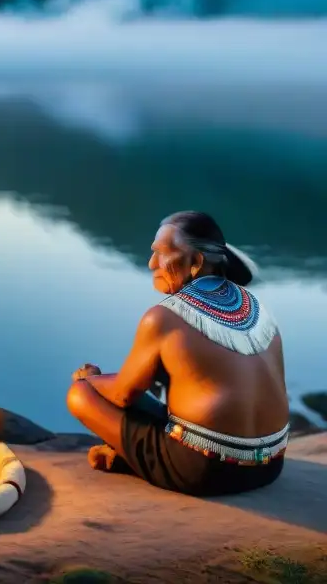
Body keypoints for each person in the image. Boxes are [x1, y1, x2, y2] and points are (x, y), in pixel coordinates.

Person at [66, 211, 290, 497]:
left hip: (205, 471)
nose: (151, 264)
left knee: (80, 394)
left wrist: (92, 379)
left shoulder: (163, 318)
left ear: (196, 262)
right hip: (269, 465)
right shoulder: (257, 306)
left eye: (161, 254)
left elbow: (124, 395)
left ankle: (140, 461)